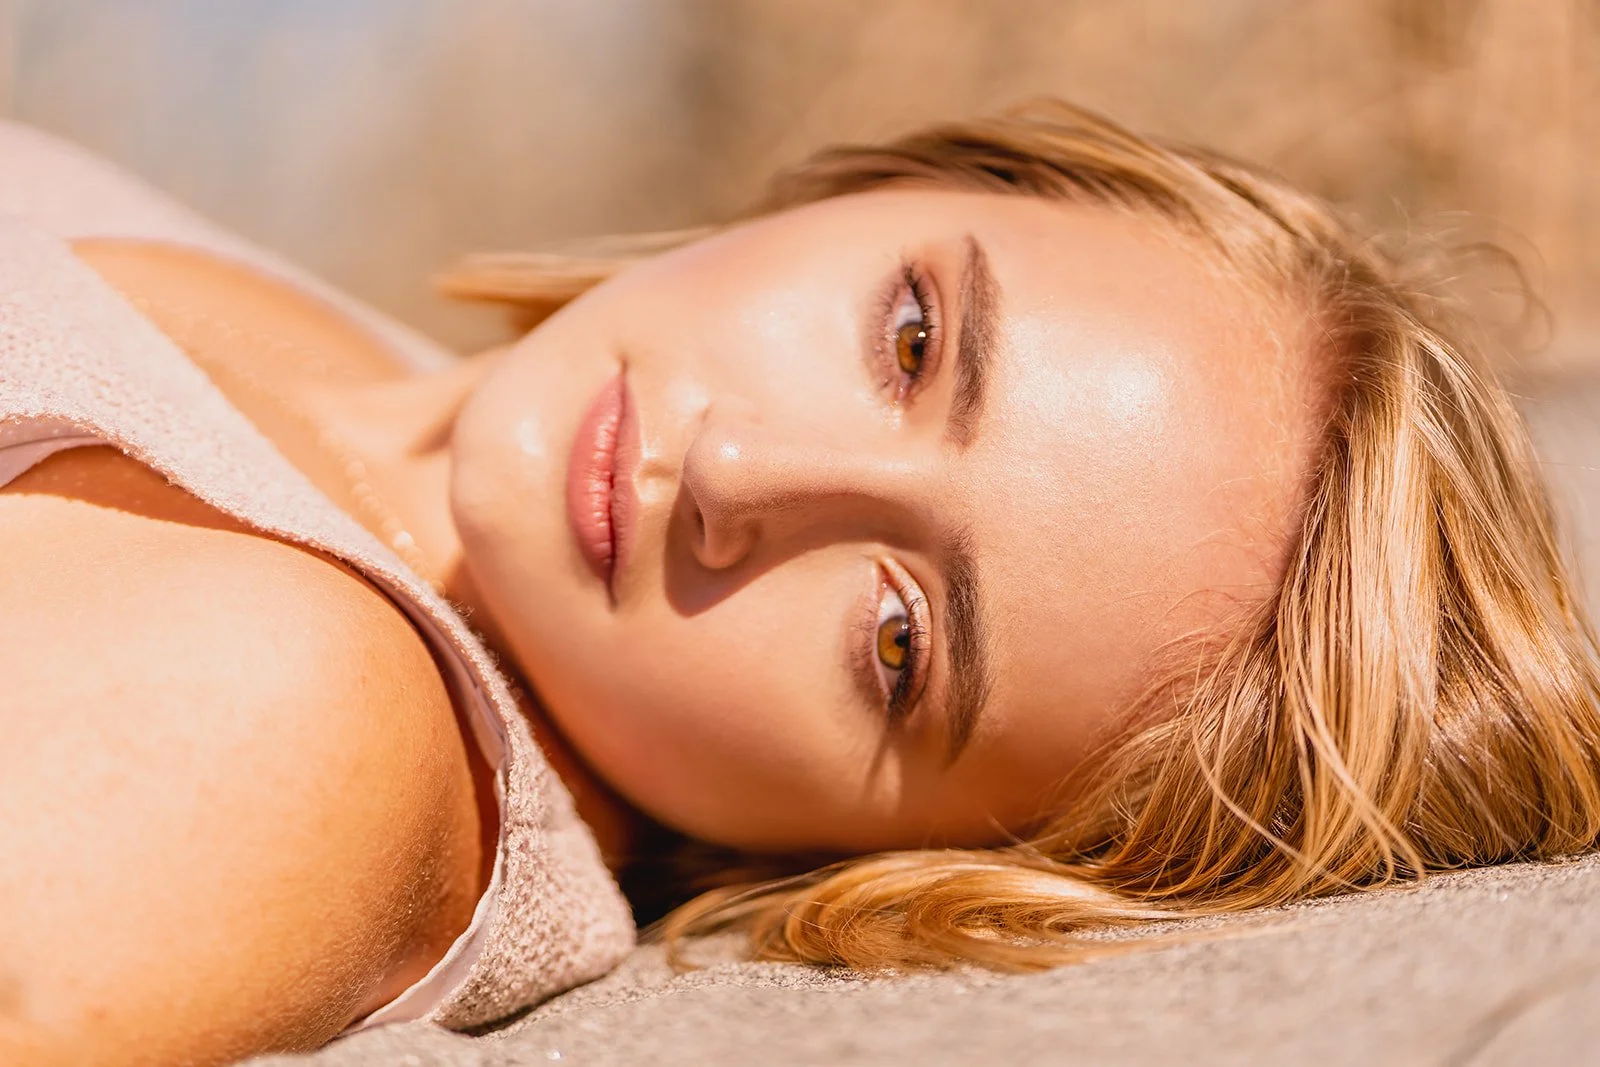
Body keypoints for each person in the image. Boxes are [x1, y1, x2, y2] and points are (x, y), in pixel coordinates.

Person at [4, 98, 1599, 1064]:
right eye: (913, 342)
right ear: (880, 187)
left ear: (893, 855)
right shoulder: (343, 345)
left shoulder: (295, 722)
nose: (738, 479)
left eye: (899, 644)